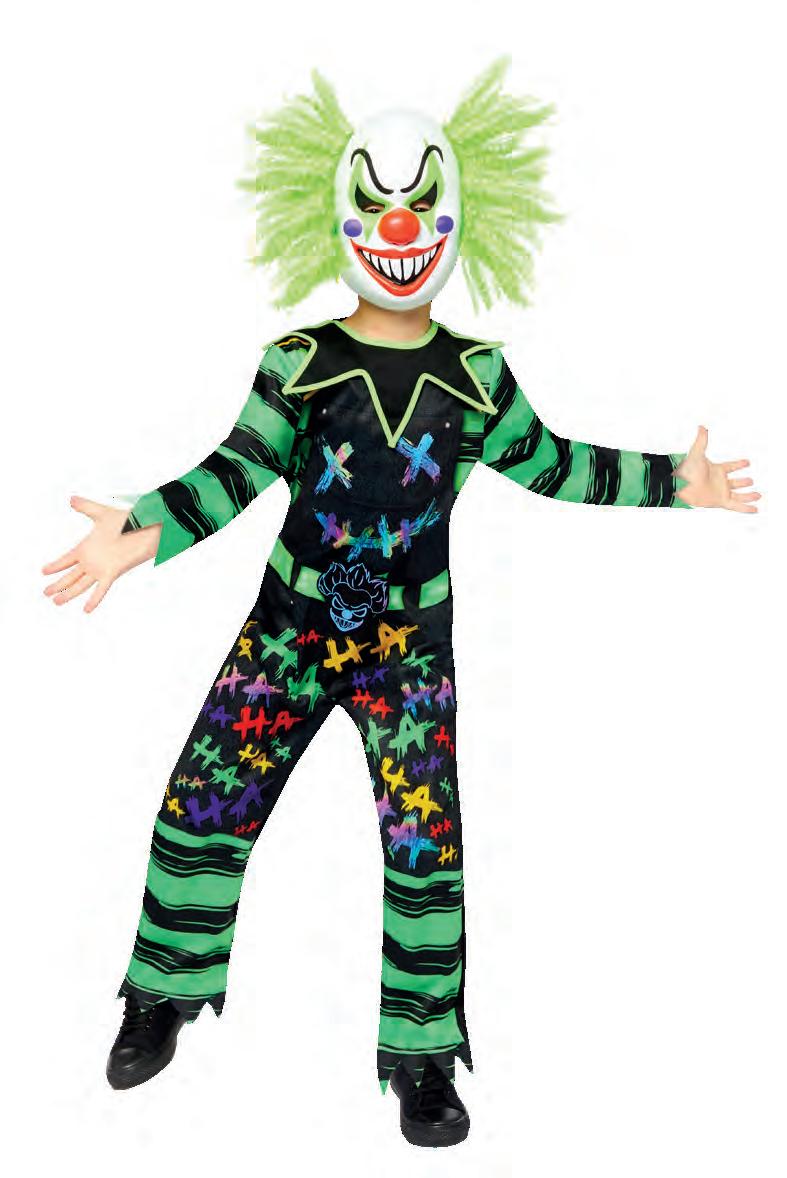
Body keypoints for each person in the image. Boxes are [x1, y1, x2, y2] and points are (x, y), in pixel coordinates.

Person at [42, 60, 759, 1149]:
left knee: (426, 851)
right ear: (335, 215)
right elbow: (235, 469)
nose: (399, 227)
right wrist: (144, 527)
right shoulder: (297, 363)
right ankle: (162, 992)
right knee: (200, 805)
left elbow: (554, 464)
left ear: (461, 218)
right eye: (377, 205)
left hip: (408, 648)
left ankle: (422, 1057)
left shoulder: (477, 378)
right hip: (286, 631)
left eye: (421, 205)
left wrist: (676, 480)